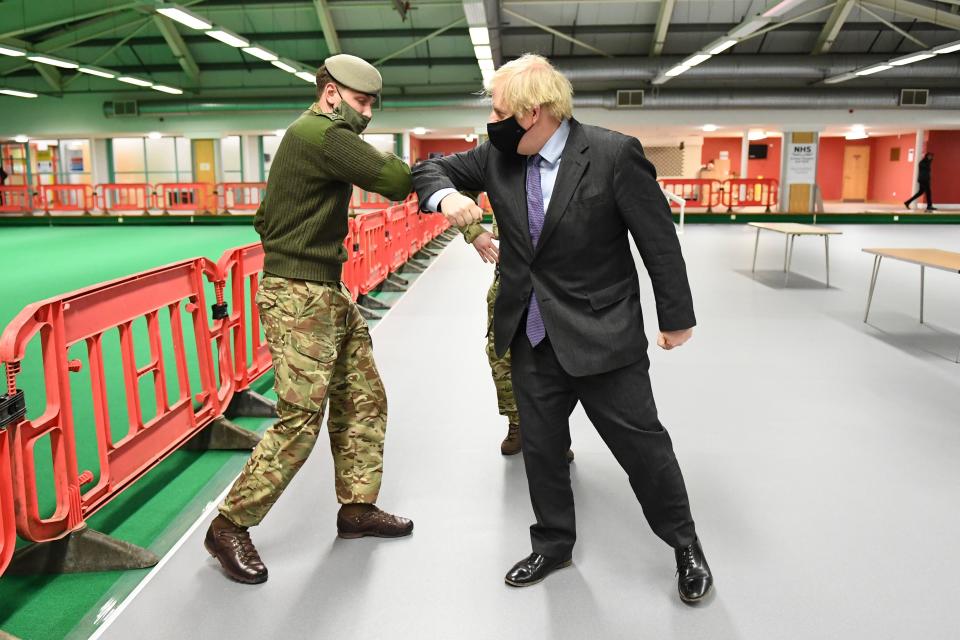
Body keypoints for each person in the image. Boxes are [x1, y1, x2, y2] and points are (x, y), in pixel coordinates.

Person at [413, 54, 712, 603]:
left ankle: (685, 545)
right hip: (530, 334)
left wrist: (677, 317)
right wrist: (449, 197)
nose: (492, 123)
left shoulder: (612, 154)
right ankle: (553, 542)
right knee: (543, 450)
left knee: (643, 448)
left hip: (604, 335)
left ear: (536, 112)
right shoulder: (498, 158)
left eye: (500, 111)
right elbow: (427, 169)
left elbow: (658, 242)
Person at [204, 54, 414, 585]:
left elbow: (269, 215)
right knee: (300, 417)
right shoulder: (321, 133)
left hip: (324, 287)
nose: (365, 113)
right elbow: (392, 178)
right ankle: (230, 524)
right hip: (299, 294)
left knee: (363, 396)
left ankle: (357, 508)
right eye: (360, 102)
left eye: (371, 105)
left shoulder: (317, 134)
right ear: (330, 94)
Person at [460, 215, 574, 462]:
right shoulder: (500, 173)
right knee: (501, 356)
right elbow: (452, 185)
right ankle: (517, 423)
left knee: (557, 356)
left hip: (561, 280)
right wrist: (472, 230)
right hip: (510, 280)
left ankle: (555, 430)